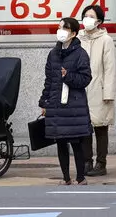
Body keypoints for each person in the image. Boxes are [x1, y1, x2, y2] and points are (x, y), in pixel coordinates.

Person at [39, 18, 92, 185]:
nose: (60, 30)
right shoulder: (53, 53)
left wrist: (67, 76)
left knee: (76, 141)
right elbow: (48, 80)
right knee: (60, 141)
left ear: (74, 33)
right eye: (59, 27)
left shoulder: (81, 54)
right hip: (55, 103)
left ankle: (81, 177)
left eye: (65, 28)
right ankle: (66, 177)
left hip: (74, 105)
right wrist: (44, 101)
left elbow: (85, 78)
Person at [78, 5, 115, 177]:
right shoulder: (78, 38)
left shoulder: (106, 39)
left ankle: (102, 163)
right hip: (80, 89)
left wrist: (108, 93)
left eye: (91, 16)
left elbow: (110, 68)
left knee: (101, 127)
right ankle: (86, 161)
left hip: (99, 90)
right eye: (85, 15)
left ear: (99, 21)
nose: (87, 19)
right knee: (84, 127)